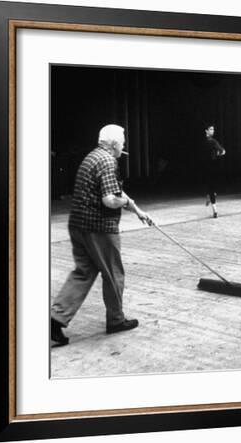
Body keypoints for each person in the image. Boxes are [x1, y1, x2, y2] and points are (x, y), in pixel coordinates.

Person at [51, 124, 153, 346]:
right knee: (114, 273)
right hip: (98, 228)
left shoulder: (92, 157)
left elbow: (115, 190)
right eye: (123, 142)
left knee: (84, 272)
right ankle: (116, 320)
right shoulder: (108, 162)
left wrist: (138, 211)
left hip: (78, 225)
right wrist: (126, 203)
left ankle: (56, 318)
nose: (124, 146)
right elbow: (110, 200)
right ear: (114, 143)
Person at [202, 124, 226, 218]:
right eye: (211, 129)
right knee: (211, 187)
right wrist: (219, 153)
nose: (213, 131)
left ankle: (209, 196)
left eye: (213, 129)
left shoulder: (207, 141)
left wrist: (217, 153)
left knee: (211, 187)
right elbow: (223, 151)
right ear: (206, 131)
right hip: (210, 167)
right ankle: (215, 210)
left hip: (211, 167)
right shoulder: (212, 141)